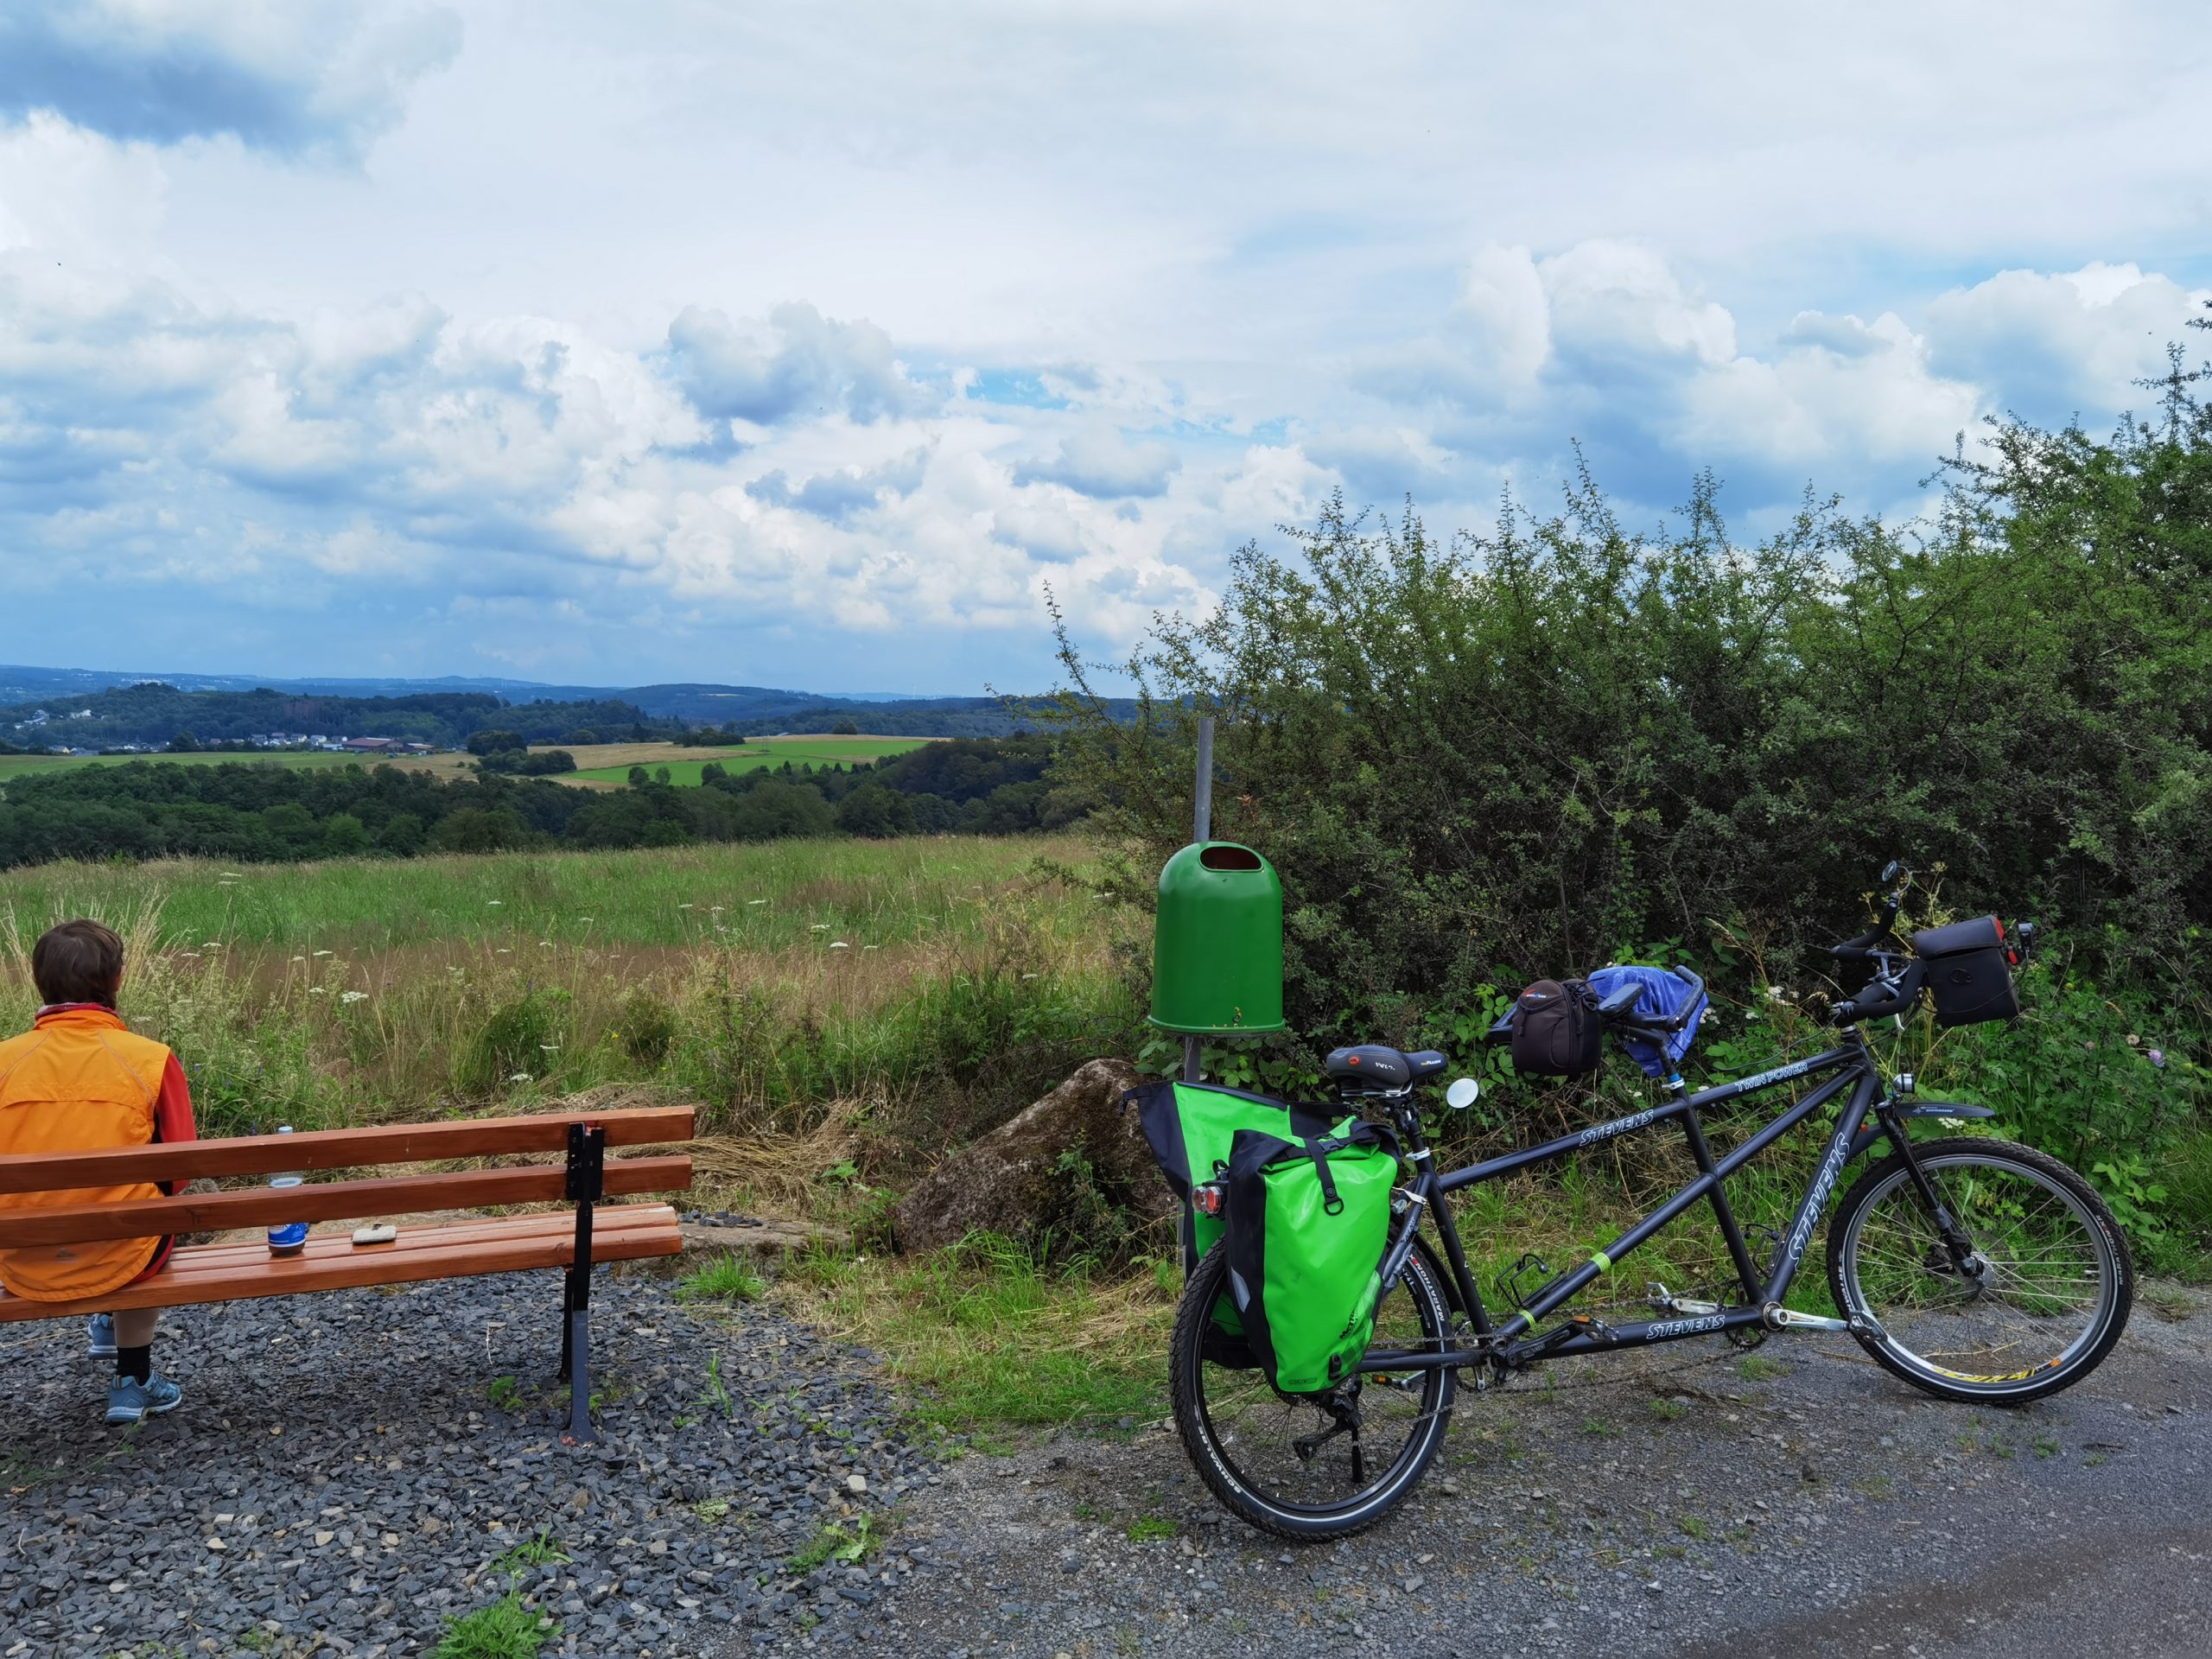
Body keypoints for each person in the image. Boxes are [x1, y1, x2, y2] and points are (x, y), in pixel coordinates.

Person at [0, 919, 197, 1424]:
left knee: (117, 1213)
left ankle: (107, 1325)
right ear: (118, 981)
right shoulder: (149, 1059)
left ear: (37, 981)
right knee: (148, 1213)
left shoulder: (4, 1062)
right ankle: (132, 1378)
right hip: (125, 1253)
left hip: (20, 1256)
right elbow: (180, 1169)